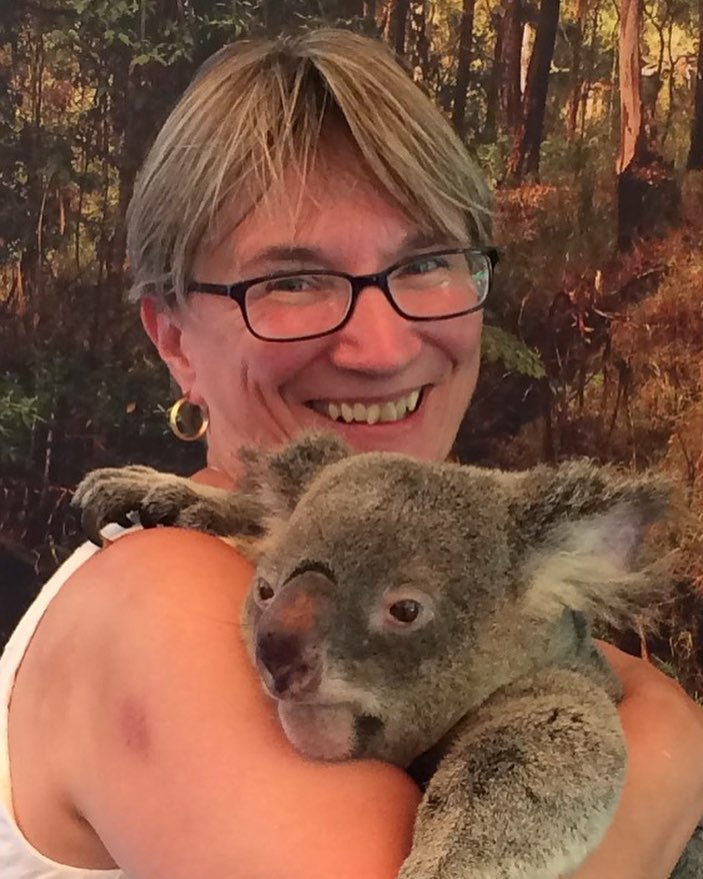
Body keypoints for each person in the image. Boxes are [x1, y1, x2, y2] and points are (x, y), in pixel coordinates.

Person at [1, 28, 702, 879]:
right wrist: (666, 749)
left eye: (427, 262)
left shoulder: (443, 571)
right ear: (175, 339)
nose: (382, 346)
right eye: (292, 281)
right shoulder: (162, 597)